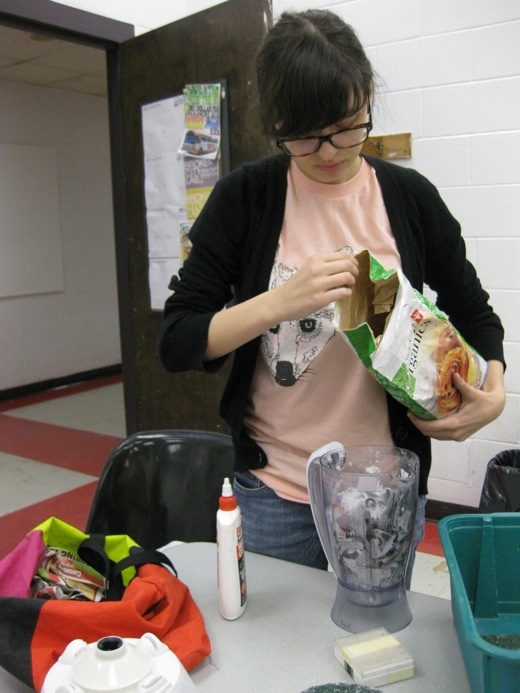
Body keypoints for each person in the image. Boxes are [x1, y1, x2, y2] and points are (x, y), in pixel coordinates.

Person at [158, 9, 506, 585]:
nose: (327, 151)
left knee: (378, 648)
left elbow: (476, 313)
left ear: (367, 98)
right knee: (278, 656)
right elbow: (177, 340)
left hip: (388, 490)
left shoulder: (410, 198)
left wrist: (492, 391)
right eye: (302, 134)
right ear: (273, 122)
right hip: (275, 489)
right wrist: (278, 303)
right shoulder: (245, 198)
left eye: (347, 126)